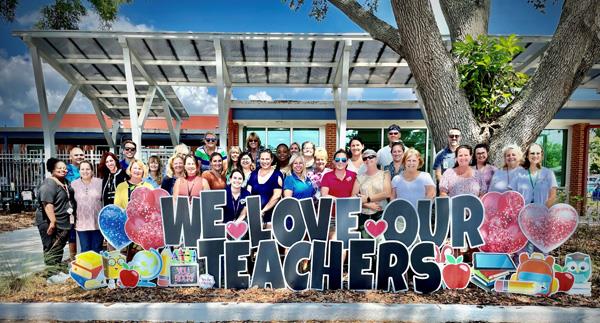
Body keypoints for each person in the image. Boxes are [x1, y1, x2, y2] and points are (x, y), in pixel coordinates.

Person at [35, 158, 74, 277]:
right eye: (59, 168)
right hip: (49, 222)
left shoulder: (65, 182)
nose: (63, 170)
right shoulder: (49, 183)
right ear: (52, 169)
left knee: (59, 247)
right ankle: (51, 275)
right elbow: (47, 203)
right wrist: (52, 221)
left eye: (64, 168)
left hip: (63, 222)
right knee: (51, 247)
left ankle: (56, 271)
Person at [352, 149, 391, 238]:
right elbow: (353, 198)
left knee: (380, 245)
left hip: (381, 214)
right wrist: (368, 205)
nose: (368, 159)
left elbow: (387, 193)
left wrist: (368, 198)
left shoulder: (385, 174)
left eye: (371, 157)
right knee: (366, 246)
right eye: (365, 158)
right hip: (364, 216)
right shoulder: (359, 177)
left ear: (376, 159)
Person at [321, 149, 357, 239]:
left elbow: (356, 196)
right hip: (332, 217)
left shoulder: (353, 175)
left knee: (345, 246)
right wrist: (341, 201)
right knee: (334, 240)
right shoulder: (327, 176)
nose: (340, 162)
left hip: (348, 216)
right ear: (333, 161)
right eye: (337, 160)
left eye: (343, 160)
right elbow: (324, 195)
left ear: (347, 162)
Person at [71, 160, 103, 253]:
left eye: (88, 169)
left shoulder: (100, 183)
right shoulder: (73, 184)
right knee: (85, 249)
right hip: (81, 223)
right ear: (79, 171)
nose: (85, 171)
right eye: (82, 169)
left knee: (97, 249)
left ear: (92, 171)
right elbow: (71, 203)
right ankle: (86, 268)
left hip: (97, 222)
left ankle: (98, 267)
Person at [513, 143, 557, 207]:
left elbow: (553, 197)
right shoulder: (518, 173)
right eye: (532, 153)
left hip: (542, 214)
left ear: (542, 155)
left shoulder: (549, 173)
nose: (535, 156)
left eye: (538, 153)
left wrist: (542, 211)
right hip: (522, 214)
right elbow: (512, 196)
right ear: (527, 156)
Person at [246, 150, 283, 225]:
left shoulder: (277, 175)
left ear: (271, 160)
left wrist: (263, 211)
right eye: (262, 159)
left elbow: (277, 196)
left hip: (272, 216)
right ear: (259, 159)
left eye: (267, 159)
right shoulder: (254, 174)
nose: (264, 161)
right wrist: (253, 211)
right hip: (254, 215)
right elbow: (248, 193)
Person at [65, 146, 85, 260]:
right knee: (72, 234)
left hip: (84, 206)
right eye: (76, 155)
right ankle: (73, 260)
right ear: (70, 157)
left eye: (81, 154)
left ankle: (83, 258)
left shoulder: (85, 167)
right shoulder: (67, 169)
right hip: (72, 206)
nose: (79, 157)